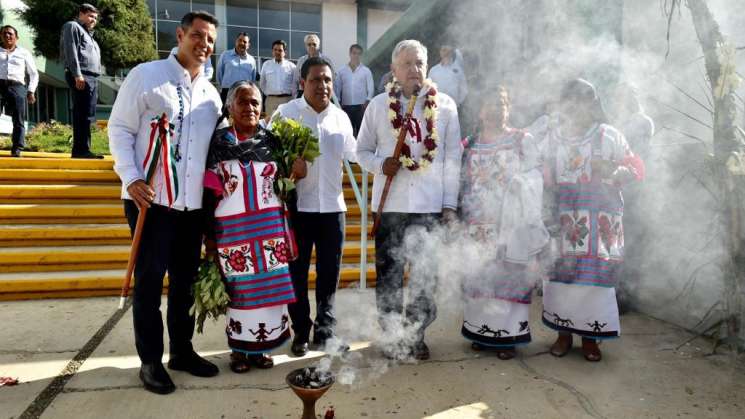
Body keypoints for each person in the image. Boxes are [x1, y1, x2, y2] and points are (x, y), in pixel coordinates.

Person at [108, 11, 222, 394]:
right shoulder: (146, 75)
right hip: (150, 203)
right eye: (197, 36)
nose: (203, 45)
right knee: (150, 282)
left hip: (190, 208)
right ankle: (151, 361)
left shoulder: (211, 93)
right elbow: (119, 128)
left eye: (209, 40)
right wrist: (132, 177)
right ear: (180, 34)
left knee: (185, 285)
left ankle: (182, 351)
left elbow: (212, 153)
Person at [356, 39, 462, 361]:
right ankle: (391, 338)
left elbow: (452, 159)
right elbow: (360, 151)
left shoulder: (445, 106)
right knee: (389, 276)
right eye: (407, 64)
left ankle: (415, 336)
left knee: (424, 277)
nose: (414, 70)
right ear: (394, 70)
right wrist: (379, 164)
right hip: (390, 208)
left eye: (419, 63)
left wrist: (449, 205)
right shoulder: (377, 105)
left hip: (429, 206)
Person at [541, 79, 644, 362]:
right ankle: (563, 335)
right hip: (564, 222)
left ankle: (590, 338)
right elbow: (540, 172)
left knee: (593, 280)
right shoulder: (552, 138)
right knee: (562, 278)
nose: (576, 107)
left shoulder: (608, 135)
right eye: (570, 101)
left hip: (599, 225)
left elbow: (637, 168)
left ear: (592, 103)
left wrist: (613, 168)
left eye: (583, 100)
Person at [203, 81, 299, 373]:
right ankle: (239, 352)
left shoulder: (272, 141)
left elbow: (286, 187)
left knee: (270, 289)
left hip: (270, 228)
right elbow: (208, 191)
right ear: (230, 107)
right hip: (233, 231)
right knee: (241, 291)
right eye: (243, 102)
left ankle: (263, 349)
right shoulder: (219, 143)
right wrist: (208, 235)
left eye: (255, 103)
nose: (250, 108)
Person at [274, 56, 356, 356]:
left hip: (334, 210)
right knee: (296, 274)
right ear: (302, 83)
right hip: (299, 209)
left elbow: (356, 154)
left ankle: (326, 331)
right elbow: (269, 155)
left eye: (327, 80)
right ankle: (300, 332)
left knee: (329, 275)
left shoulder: (341, 117)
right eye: (315, 80)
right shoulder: (286, 113)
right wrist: (287, 165)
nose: (322, 85)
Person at [458, 87, 548, 360]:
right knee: (481, 275)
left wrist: (522, 183)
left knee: (509, 276)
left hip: (512, 223)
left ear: (508, 108)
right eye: (489, 104)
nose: (495, 110)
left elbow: (537, 174)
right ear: (480, 110)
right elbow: (461, 182)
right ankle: (479, 331)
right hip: (477, 222)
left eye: (501, 104)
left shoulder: (521, 140)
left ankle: (507, 336)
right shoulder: (469, 144)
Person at [60, 3, 102, 159]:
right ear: (81, 14)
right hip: (81, 75)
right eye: (90, 16)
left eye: (95, 18)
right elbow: (71, 50)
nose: (93, 20)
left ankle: (84, 149)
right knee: (82, 113)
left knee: (87, 114)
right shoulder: (72, 26)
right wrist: (77, 74)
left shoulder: (89, 36)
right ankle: (80, 150)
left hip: (91, 77)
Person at [0, 25, 38, 158]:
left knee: (18, 120)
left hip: (17, 87)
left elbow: (34, 74)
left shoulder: (24, 52)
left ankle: (17, 148)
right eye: (4, 33)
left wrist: (31, 91)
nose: (7, 36)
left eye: (10, 34)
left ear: (16, 37)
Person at [335, 44, 374, 136]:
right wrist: (338, 103)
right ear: (350, 53)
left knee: (362, 133)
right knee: (348, 133)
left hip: (361, 107)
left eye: (359, 54)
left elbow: (371, 88)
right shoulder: (341, 71)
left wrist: (367, 102)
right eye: (354, 53)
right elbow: (338, 88)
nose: (356, 56)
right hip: (346, 107)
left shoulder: (366, 71)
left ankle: (361, 150)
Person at [215, 32, 257, 103]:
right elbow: (219, 74)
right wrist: (225, 86)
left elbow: (252, 79)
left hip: (244, 93)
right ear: (236, 41)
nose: (242, 43)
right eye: (240, 40)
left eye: (245, 42)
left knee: (242, 114)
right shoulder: (225, 55)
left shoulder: (251, 60)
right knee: (226, 114)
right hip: (227, 92)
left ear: (248, 45)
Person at [259, 40, 296, 117]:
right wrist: (271, 93)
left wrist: (291, 99)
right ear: (272, 51)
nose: (277, 52)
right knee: (270, 125)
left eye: (280, 50)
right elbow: (262, 84)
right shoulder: (266, 65)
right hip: (271, 100)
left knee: (287, 125)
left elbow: (295, 85)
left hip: (287, 100)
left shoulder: (292, 66)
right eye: (275, 50)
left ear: (284, 52)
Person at [294, 34, 335, 98]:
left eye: (314, 44)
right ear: (306, 46)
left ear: (318, 46)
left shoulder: (326, 60)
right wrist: (295, 96)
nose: (311, 46)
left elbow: (333, 79)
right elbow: (295, 80)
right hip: (303, 93)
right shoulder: (301, 61)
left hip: (321, 92)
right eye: (309, 44)